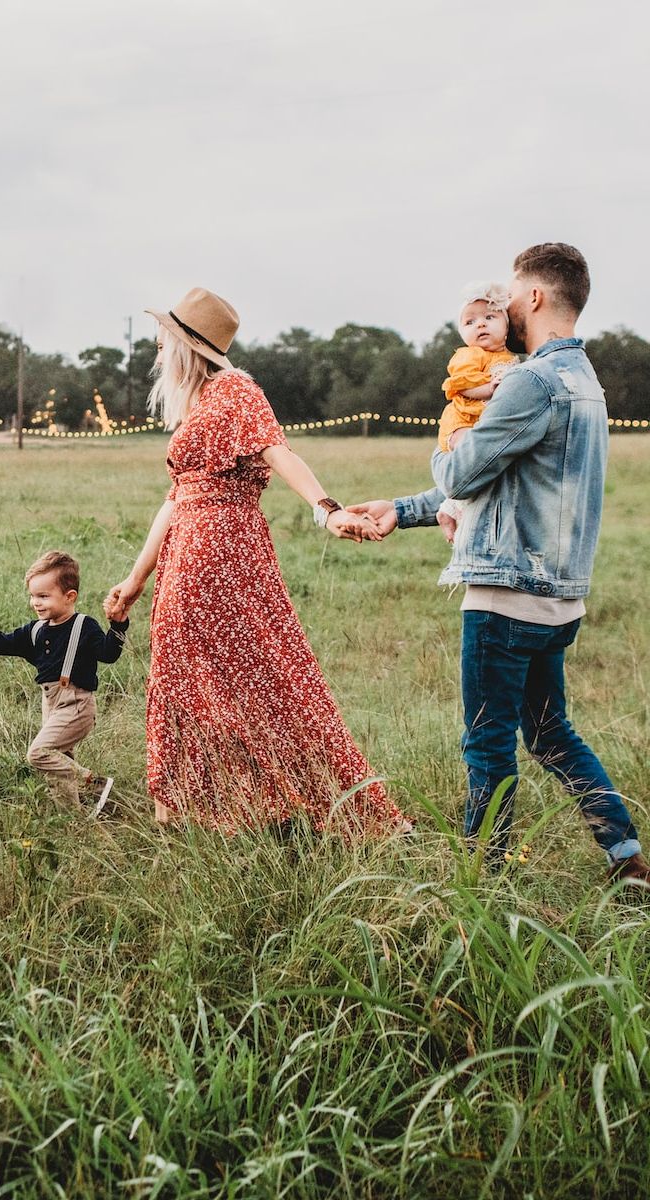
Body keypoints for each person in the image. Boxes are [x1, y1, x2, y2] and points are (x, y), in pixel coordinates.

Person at [348, 244, 648, 885]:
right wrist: (404, 509)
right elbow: (503, 482)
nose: (502, 304)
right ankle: (627, 859)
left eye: (511, 292)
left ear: (534, 297)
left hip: (506, 594)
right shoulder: (584, 382)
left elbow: (462, 470)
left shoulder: (531, 381)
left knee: (488, 744)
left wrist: (447, 437)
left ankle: (485, 882)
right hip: (559, 596)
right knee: (549, 733)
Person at [104, 287, 408, 836]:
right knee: (183, 676)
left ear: (187, 345)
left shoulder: (235, 390)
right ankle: (189, 806)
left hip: (223, 551)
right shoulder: (198, 403)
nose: (155, 348)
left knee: (262, 674)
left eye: (162, 339)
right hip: (186, 553)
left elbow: (278, 451)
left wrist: (326, 510)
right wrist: (135, 578)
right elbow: (175, 499)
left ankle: (288, 799)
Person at [0, 550, 128, 815]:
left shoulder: (84, 626)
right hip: (51, 703)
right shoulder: (35, 630)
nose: (36, 602)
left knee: (39, 753)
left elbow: (109, 654)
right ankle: (72, 818)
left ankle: (94, 783)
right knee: (59, 763)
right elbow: (3, 642)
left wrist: (118, 626)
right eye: (33, 596)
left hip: (77, 705)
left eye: (44, 596)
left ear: (70, 597)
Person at [435, 282, 519, 542]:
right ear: (462, 333)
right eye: (470, 322)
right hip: (461, 421)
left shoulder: (509, 358)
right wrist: (488, 388)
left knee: (485, 465)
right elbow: (461, 385)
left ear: (506, 328)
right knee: (471, 457)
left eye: (490, 317)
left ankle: (451, 508)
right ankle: (453, 509)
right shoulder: (469, 355)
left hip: (481, 421)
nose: (480, 325)